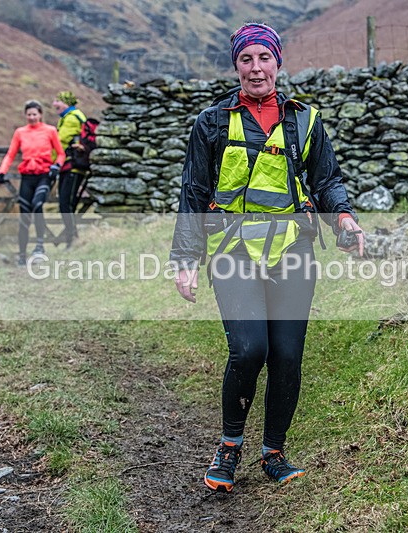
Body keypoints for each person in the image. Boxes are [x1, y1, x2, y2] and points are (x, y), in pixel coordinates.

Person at [169, 22, 365, 493]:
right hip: (234, 252)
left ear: (278, 62)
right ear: (236, 65)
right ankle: (229, 446)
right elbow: (194, 191)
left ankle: (273, 452)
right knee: (249, 349)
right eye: (246, 60)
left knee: (286, 357)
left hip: (293, 251)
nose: (256, 69)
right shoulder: (212, 122)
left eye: (264, 58)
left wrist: (343, 218)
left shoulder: (305, 120)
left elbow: (327, 180)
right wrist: (185, 257)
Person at [0, 100, 64, 266]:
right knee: (24, 214)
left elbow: (61, 153)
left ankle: (40, 245)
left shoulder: (50, 131)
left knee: (37, 204)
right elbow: (10, 154)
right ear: (25, 115)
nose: (32, 117)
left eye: (35, 114)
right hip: (27, 176)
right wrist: (2, 171)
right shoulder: (20, 132)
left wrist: (57, 166)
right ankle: (21, 254)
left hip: (44, 174)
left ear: (40, 114)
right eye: (29, 114)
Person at [52, 91, 87, 248]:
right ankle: (72, 237)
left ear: (67, 103)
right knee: (67, 203)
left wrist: (49, 160)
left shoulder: (72, 118)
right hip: (69, 166)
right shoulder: (69, 117)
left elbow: (60, 141)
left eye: (58, 101)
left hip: (72, 166)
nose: (54, 104)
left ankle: (71, 238)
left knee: (66, 203)